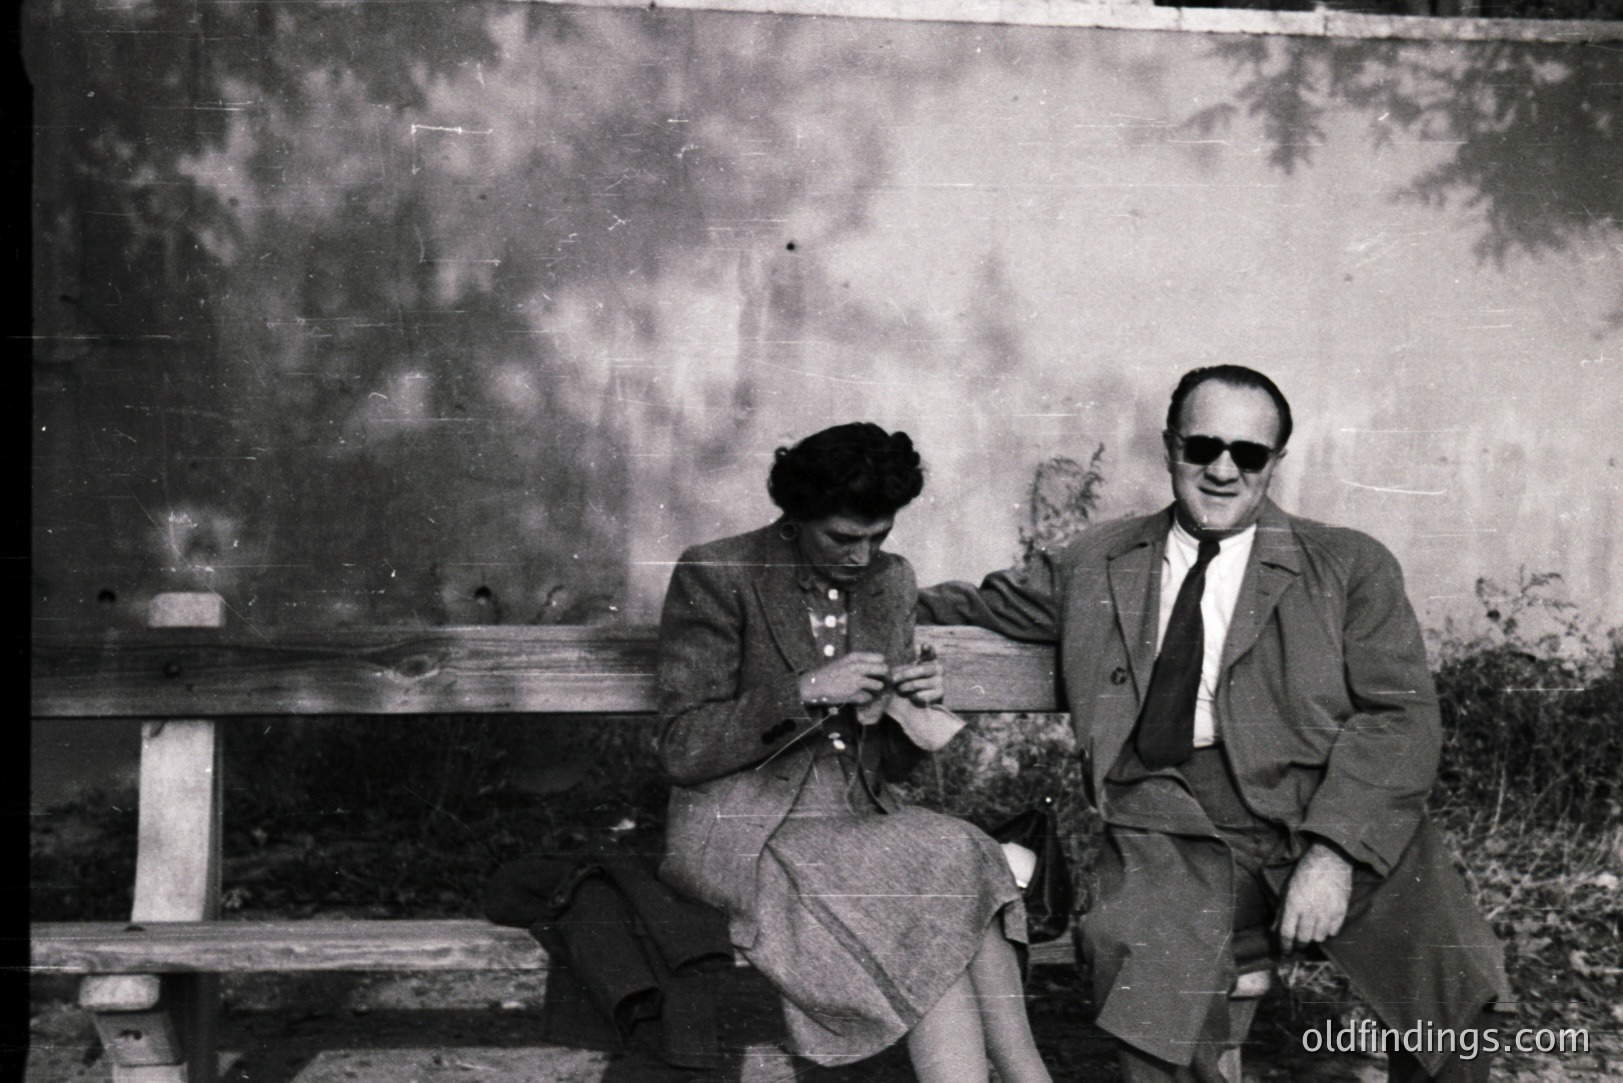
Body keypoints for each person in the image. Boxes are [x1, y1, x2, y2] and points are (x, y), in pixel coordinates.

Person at [919, 367, 1509, 1082]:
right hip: (1165, 821)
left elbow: (1400, 718)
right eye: (1202, 447)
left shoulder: (1348, 566)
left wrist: (1333, 853)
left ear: (1274, 463)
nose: (1223, 470)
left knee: (1448, 976)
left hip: (1321, 807)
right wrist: (843, 593)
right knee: (1145, 976)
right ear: (1170, 447)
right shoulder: (1096, 562)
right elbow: (973, 606)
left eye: (1248, 453)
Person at [655, 422, 1052, 1083]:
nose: (863, 556)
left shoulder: (889, 581)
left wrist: (910, 706)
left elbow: (888, 769)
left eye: (879, 535)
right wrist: (803, 691)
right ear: (795, 513)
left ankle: (1020, 1068)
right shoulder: (720, 571)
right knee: (945, 869)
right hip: (748, 829)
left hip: (855, 821)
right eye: (843, 537)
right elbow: (679, 746)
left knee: (959, 857)